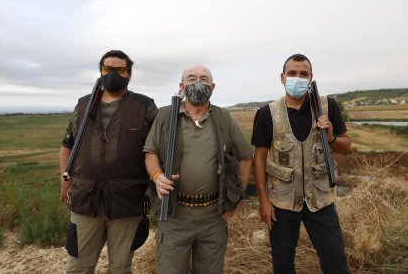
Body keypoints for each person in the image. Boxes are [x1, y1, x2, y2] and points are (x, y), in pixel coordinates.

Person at [144, 63, 253, 274]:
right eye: (192, 78)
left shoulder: (224, 118)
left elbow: (246, 157)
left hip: (213, 218)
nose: (198, 82)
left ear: (212, 86)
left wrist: (236, 196)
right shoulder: (166, 116)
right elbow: (150, 154)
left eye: (203, 79)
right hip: (174, 216)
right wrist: (157, 176)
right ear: (181, 85)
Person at [59, 50, 158, 273]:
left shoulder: (145, 106)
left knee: (120, 268)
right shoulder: (83, 105)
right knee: (78, 267)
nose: (113, 73)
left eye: (120, 69)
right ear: (100, 72)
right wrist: (64, 179)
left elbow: (155, 149)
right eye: (107, 69)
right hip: (85, 198)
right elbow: (67, 144)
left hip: (127, 200)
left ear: (129, 74)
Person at [252, 54, 351, 274]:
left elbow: (346, 146)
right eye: (292, 73)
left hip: (321, 200)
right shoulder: (267, 113)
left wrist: (331, 137)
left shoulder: (327, 107)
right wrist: (263, 201)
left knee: (335, 261)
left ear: (311, 78)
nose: (298, 78)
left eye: (303, 74)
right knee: (283, 262)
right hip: (282, 203)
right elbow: (258, 158)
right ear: (282, 77)